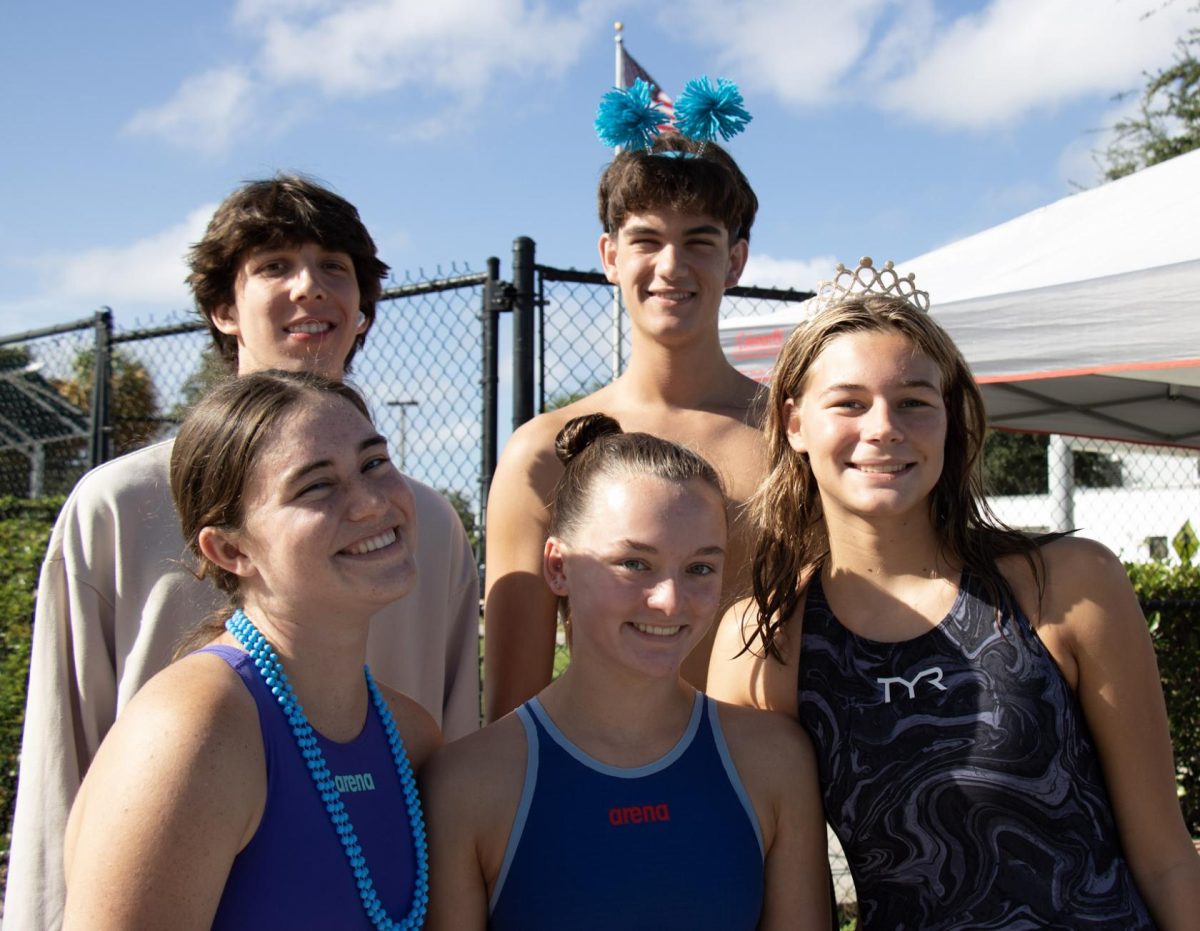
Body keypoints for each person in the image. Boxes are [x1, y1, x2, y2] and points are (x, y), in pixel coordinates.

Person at [5, 176, 479, 929]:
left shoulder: (421, 524)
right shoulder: (116, 504)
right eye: (274, 265)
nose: (309, 287)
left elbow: (449, 773)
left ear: (362, 308)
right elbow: (64, 753)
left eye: (334, 267)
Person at [706, 258, 1200, 929]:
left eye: (913, 401)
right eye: (849, 402)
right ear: (794, 423)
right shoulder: (763, 643)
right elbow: (783, 902)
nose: (884, 427)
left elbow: (1168, 858)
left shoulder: (1070, 584)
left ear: (950, 418)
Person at [423, 414, 829, 930]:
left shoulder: (774, 762)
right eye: (635, 564)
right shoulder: (468, 784)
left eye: (700, 568)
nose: (670, 601)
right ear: (558, 566)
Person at [62, 370, 438, 927]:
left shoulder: (410, 736)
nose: (370, 503)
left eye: (374, 463)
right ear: (230, 550)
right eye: (316, 486)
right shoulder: (192, 733)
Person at [483, 132, 766, 722]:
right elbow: (513, 715)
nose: (672, 265)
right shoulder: (544, 451)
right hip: (596, 772)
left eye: (699, 241)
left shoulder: (794, 436)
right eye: (647, 240)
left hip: (767, 768)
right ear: (610, 256)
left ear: (735, 260)